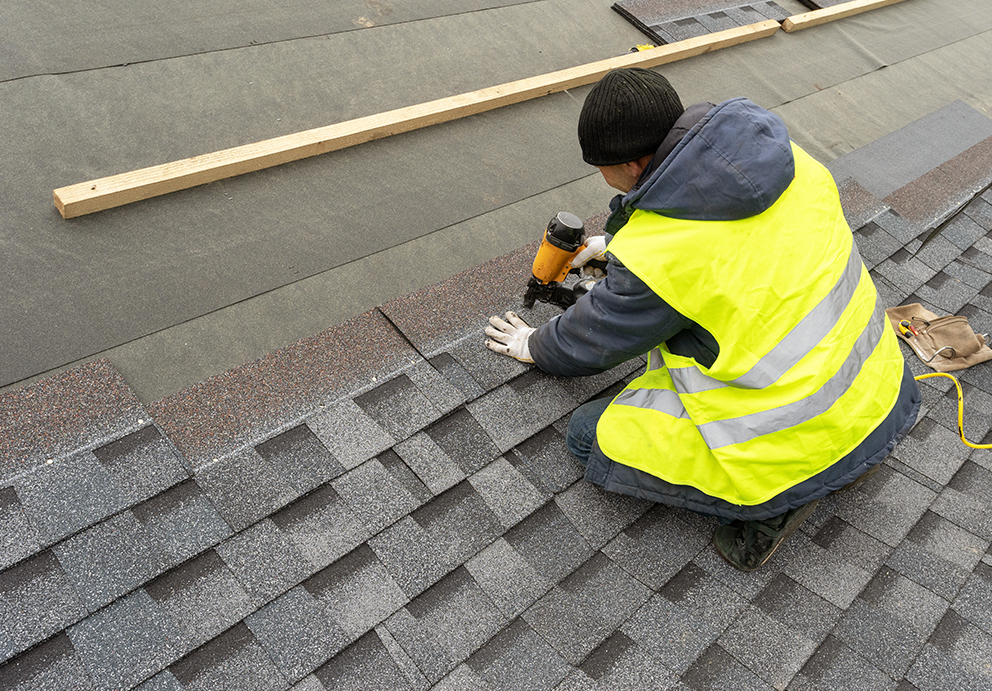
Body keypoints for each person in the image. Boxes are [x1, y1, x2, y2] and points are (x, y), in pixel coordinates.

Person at [484, 68, 920, 571]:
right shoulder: (790, 163)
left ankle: (774, 502)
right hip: (877, 389)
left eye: (602, 169)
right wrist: (619, 250)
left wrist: (533, 345)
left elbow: (591, 341)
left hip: (801, 433)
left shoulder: (664, 260)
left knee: (588, 436)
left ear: (630, 164)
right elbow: (734, 249)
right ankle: (823, 462)